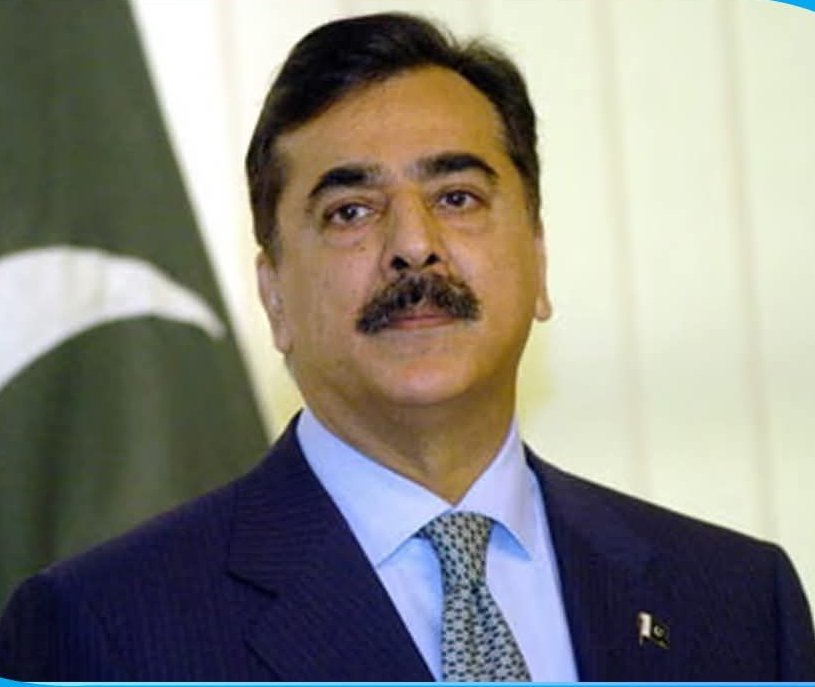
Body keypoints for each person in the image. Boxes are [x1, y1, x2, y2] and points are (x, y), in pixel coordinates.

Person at [1, 11, 813, 682]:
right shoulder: (103, 627)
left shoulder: (739, 602)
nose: (414, 246)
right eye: (350, 211)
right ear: (274, 296)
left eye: (456, 197)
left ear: (537, 260)